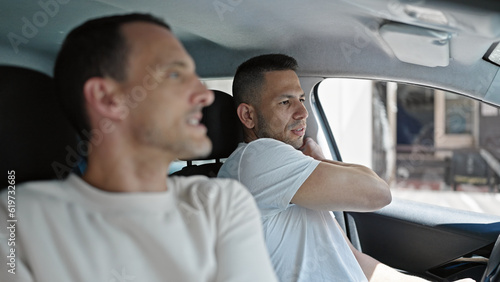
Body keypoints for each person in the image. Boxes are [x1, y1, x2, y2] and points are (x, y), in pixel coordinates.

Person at [0, 14, 278, 282]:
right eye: (174, 74)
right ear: (107, 98)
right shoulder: (16, 222)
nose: (205, 95)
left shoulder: (221, 202)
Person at [218, 54, 474, 282]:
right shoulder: (257, 157)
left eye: (301, 99)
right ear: (248, 116)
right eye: (285, 103)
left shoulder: (289, 177)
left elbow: (354, 260)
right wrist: (320, 160)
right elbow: (378, 194)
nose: (302, 112)